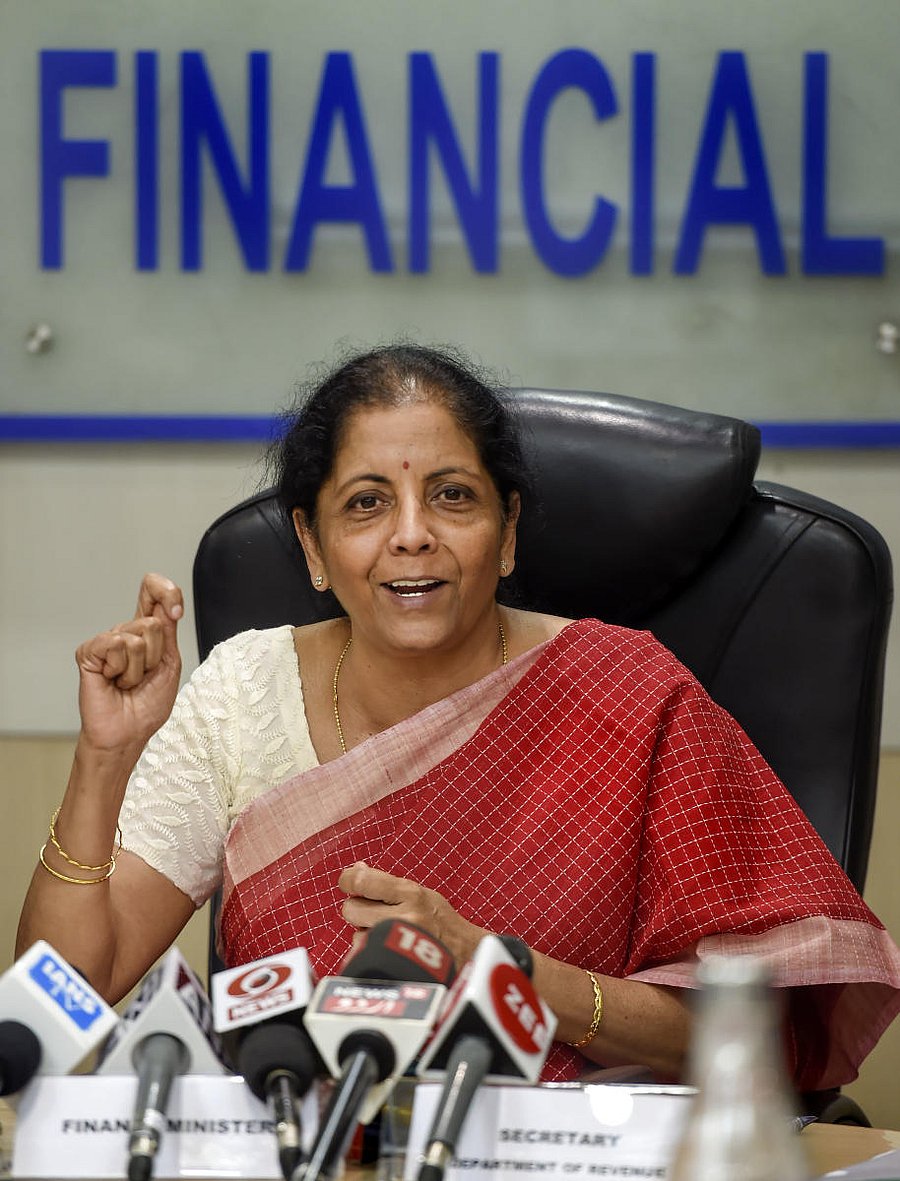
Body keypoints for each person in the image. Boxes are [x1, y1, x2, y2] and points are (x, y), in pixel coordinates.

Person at [16, 343, 900, 1091]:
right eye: (366, 502)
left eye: (452, 495)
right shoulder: (243, 691)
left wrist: (497, 965)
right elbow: (65, 993)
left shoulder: (629, 693)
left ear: (507, 533)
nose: (411, 534)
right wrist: (107, 755)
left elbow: (751, 1036)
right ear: (314, 549)